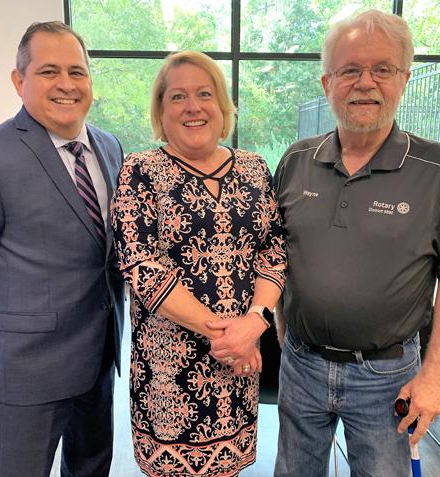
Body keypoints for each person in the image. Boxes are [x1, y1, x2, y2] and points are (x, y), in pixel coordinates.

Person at [273, 9, 440, 477]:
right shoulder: (295, 161)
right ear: (327, 82)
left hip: (387, 376)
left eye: (382, 69)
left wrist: (435, 376)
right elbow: (275, 256)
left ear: (404, 79)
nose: (365, 83)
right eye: (350, 70)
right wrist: (283, 330)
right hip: (301, 365)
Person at [0, 21, 125, 477]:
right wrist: (10, 309)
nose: (66, 84)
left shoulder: (109, 146)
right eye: (48, 71)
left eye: (77, 71)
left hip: (100, 353)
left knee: (92, 466)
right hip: (30, 363)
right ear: (18, 80)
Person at [111, 50, 286, 477]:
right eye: (178, 96)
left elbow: (274, 249)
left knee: (229, 467)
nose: (193, 106)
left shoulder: (254, 168)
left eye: (205, 94)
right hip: (169, 372)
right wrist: (228, 335)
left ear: (222, 105)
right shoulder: (140, 171)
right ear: (161, 110)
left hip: (240, 363)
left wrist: (255, 321)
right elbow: (141, 265)